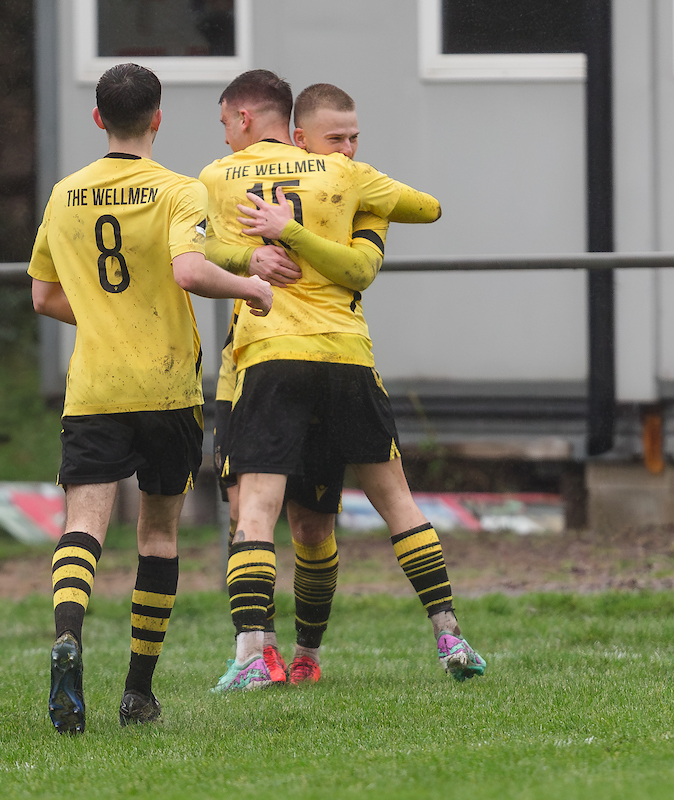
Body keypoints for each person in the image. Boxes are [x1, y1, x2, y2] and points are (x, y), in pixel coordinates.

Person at [200, 71, 484, 692]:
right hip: (344, 360)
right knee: (374, 506)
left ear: (245, 122)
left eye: (355, 139)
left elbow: (196, 252)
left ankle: (262, 653)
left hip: (271, 358)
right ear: (300, 136)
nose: (350, 149)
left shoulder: (220, 178)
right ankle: (445, 632)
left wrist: (274, 238)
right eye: (340, 138)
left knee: (260, 512)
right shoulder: (350, 182)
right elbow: (429, 209)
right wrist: (358, 202)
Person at [28, 63, 273, 734]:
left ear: (99, 118)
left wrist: (105, 318)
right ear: (158, 118)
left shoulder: (65, 193)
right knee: (158, 535)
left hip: (96, 388)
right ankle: (137, 691)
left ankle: (69, 636)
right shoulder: (177, 190)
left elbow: (43, 295)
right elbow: (189, 270)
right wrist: (250, 287)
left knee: (84, 524)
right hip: (165, 389)